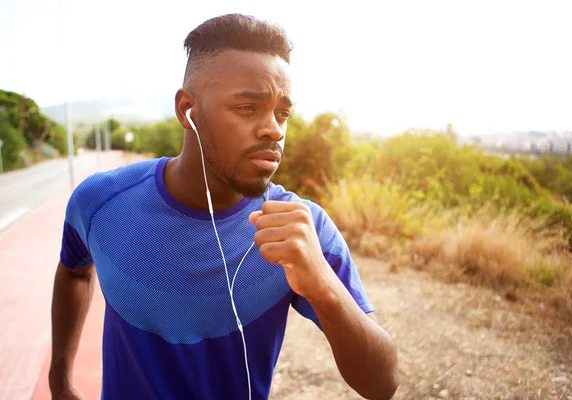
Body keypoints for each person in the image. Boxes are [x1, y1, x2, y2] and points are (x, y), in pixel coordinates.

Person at [49, 13, 399, 400]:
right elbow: (75, 272)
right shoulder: (101, 201)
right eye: (248, 108)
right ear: (187, 110)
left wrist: (325, 288)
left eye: (282, 113)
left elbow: (382, 384)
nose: (274, 129)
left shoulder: (302, 228)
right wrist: (59, 379)